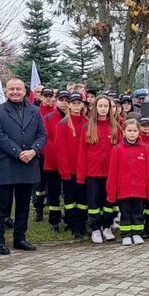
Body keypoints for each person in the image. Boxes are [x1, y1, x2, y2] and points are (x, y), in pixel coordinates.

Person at [0, 78, 48, 254]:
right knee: (1, 204)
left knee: (23, 204)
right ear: (6, 91)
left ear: (24, 91)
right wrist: (17, 152)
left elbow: (42, 135)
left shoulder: (35, 111)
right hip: (7, 163)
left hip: (29, 163)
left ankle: (20, 238)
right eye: (12, 89)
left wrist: (33, 151)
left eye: (18, 89)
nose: (15, 92)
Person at [107, 119, 149, 246]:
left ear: (139, 132)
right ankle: (126, 234)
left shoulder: (145, 148)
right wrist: (111, 193)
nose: (132, 133)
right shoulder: (117, 149)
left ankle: (137, 233)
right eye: (129, 131)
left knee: (137, 213)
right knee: (125, 213)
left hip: (140, 190)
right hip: (123, 190)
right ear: (123, 132)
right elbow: (113, 173)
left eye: (135, 131)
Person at [77, 95, 120, 244]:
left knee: (109, 203)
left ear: (110, 108)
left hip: (110, 173)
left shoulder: (116, 127)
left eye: (106, 106)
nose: (103, 109)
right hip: (92, 173)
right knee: (94, 203)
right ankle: (95, 229)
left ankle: (107, 227)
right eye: (100, 106)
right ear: (95, 108)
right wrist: (81, 175)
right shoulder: (87, 127)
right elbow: (82, 152)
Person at [54, 93, 89, 238]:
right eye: (73, 103)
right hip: (69, 170)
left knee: (82, 200)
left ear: (82, 105)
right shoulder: (62, 124)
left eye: (78, 103)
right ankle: (73, 225)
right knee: (69, 200)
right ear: (69, 105)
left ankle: (81, 224)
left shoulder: (87, 123)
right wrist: (65, 171)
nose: (76, 106)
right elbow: (60, 150)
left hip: (84, 169)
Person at [42, 91, 69, 231]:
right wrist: (59, 158)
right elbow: (48, 141)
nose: (64, 102)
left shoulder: (74, 118)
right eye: (61, 99)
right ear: (56, 101)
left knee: (70, 194)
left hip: (70, 164)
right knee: (53, 194)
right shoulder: (48, 118)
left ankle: (70, 219)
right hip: (52, 164)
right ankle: (54, 221)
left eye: (66, 100)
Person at [32, 88, 58, 223]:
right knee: (40, 184)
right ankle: (39, 209)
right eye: (45, 96)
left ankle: (54, 209)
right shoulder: (36, 111)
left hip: (53, 154)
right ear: (41, 97)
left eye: (50, 96)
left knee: (52, 183)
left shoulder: (56, 112)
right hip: (40, 153)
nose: (48, 98)